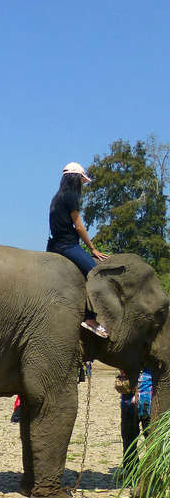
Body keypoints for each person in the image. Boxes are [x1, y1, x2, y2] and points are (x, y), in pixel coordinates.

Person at [45, 162, 110, 338]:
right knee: (95, 273)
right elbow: (79, 226)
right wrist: (93, 249)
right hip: (67, 245)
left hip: (54, 246)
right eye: (82, 179)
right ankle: (90, 318)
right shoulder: (71, 196)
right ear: (75, 178)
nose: (83, 183)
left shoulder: (57, 197)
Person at [116, 368, 152, 463]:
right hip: (131, 404)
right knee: (129, 439)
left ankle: (148, 468)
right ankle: (131, 469)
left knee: (150, 437)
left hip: (147, 404)